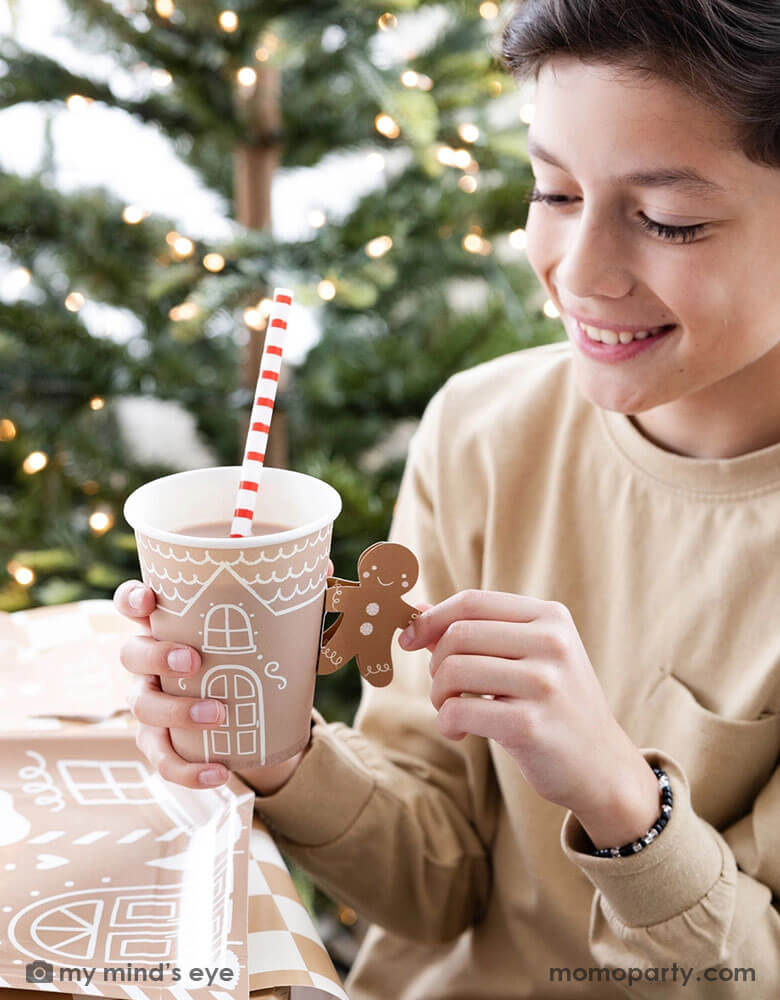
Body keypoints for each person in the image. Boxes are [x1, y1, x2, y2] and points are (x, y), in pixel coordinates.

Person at [114, 1, 780, 996]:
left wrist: (619, 799)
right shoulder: (483, 428)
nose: (580, 273)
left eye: (667, 219)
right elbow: (439, 877)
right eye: (553, 192)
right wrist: (274, 745)